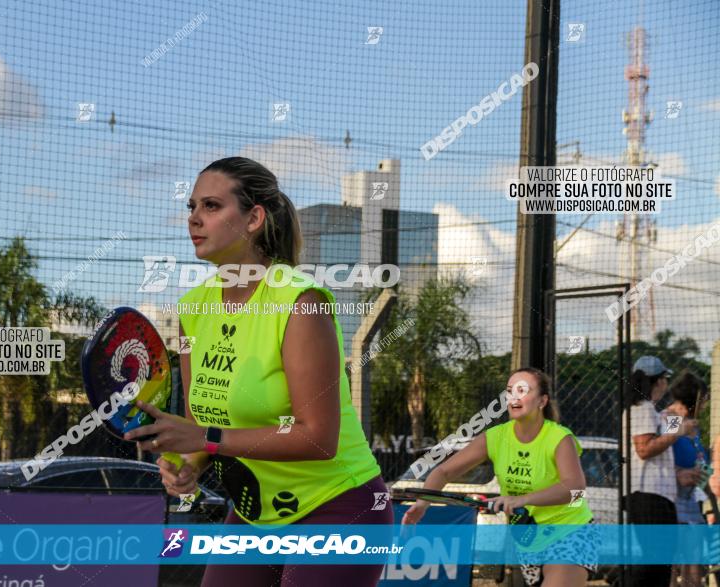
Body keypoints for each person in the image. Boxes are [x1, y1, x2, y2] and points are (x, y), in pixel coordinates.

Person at [125, 157, 391, 586]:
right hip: (256, 511)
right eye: (192, 206)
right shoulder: (193, 309)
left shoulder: (301, 302)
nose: (194, 218)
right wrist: (189, 463)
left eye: (211, 206)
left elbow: (317, 438)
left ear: (253, 218)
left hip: (339, 505)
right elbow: (204, 424)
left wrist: (206, 440)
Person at [402, 367, 598, 587]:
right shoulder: (495, 437)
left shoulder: (559, 438)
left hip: (570, 531)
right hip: (528, 538)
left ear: (542, 401)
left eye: (522, 390)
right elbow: (443, 471)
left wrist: (521, 499)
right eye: (509, 390)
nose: (514, 396)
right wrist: (422, 504)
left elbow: (576, 490)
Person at [622, 355, 696, 586]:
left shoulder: (652, 411)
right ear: (659, 381)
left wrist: (678, 473)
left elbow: (664, 439)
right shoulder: (642, 409)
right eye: (665, 378)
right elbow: (644, 449)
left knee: (661, 559)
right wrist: (679, 431)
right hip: (649, 495)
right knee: (655, 560)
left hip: (658, 494)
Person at [668, 370, 711, 587]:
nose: (704, 406)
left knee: (694, 559)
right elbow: (664, 450)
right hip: (673, 497)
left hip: (693, 497)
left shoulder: (694, 425)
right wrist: (678, 473)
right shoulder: (673, 419)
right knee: (673, 561)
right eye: (703, 400)